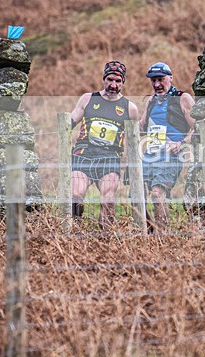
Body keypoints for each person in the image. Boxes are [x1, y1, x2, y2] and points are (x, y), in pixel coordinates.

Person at [70, 61, 139, 225]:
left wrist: (131, 164)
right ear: (104, 79)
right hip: (84, 154)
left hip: (110, 157)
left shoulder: (130, 108)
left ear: (123, 83)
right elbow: (69, 123)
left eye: (118, 81)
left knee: (108, 199)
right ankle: (74, 231)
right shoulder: (88, 99)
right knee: (75, 195)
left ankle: (106, 238)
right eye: (109, 80)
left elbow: (133, 141)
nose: (113, 85)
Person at [140, 62, 195, 233]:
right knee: (136, 194)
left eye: (161, 80)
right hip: (150, 155)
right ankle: (149, 230)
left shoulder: (183, 98)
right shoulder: (151, 101)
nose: (157, 84)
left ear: (170, 78)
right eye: (153, 81)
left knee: (157, 193)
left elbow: (197, 128)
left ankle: (162, 238)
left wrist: (181, 143)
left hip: (171, 156)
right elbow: (141, 127)